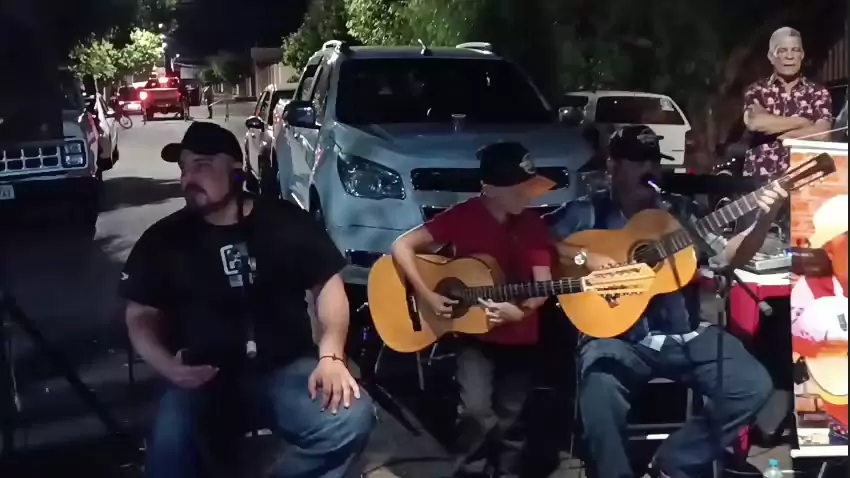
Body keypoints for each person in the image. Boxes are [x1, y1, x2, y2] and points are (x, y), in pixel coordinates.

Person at [121, 121, 375, 478]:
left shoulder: (285, 221)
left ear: (237, 171)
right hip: (202, 377)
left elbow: (328, 285)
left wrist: (331, 355)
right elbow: (139, 314)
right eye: (184, 169)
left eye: (202, 166)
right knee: (169, 448)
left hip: (287, 370)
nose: (188, 178)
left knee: (352, 416)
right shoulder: (164, 239)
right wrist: (168, 368)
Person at [545, 125, 787, 478]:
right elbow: (540, 242)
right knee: (598, 386)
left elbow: (728, 258)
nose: (649, 169)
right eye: (637, 160)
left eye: (654, 161)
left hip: (684, 335)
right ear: (613, 165)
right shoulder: (586, 212)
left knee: (752, 385)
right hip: (616, 338)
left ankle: (675, 461)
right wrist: (586, 258)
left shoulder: (681, 212)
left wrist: (764, 218)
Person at [390, 142, 556, 478]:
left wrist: (520, 313)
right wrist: (428, 295)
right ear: (490, 189)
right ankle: (470, 471)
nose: (527, 196)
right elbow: (402, 246)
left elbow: (543, 286)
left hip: (520, 337)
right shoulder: (463, 217)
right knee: (475, 412)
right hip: (473, 337)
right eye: (518, 189)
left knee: (510, 418)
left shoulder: (533, 226)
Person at [743, 27, 833, 180]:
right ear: (771, 56)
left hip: (803, 179)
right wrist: (802, 122)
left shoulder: (818, 93)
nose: (790, 56)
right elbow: (754, 122)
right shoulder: (757, 90)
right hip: (760, 179)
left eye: (795, 50)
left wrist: (775, 131)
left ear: (802, 55)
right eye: (782, 50)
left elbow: (822, 135)